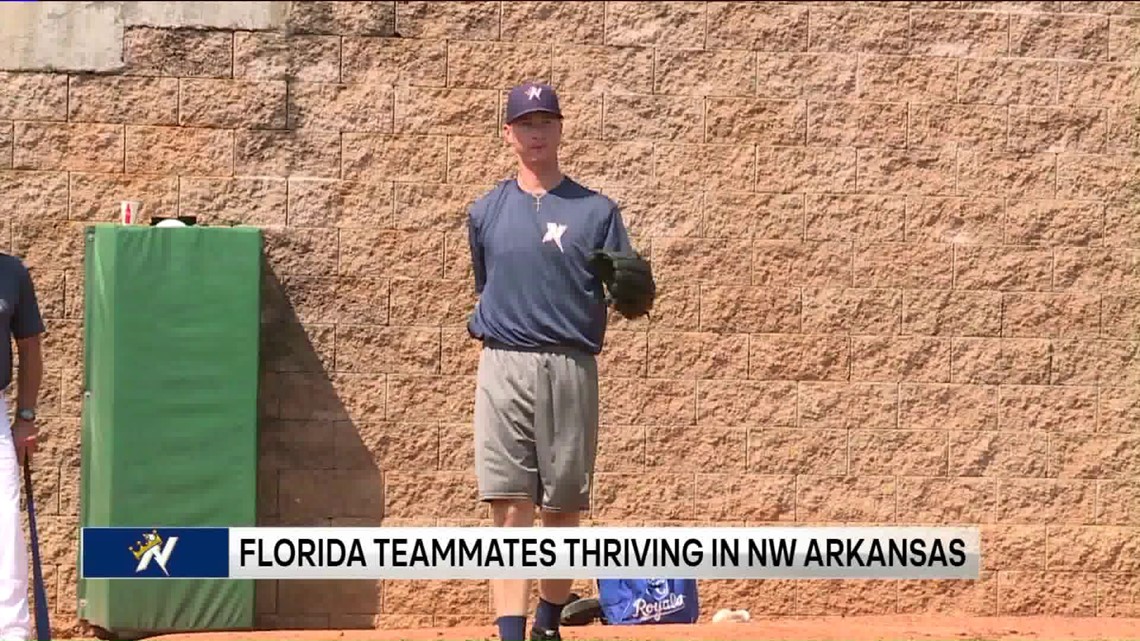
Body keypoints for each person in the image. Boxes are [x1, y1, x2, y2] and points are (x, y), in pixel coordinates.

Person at [466, 81, 634, 641]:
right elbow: (487, 285)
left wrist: (631, 293)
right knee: (509, 506)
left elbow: (623, 287)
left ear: (560, 129)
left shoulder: (597, 211)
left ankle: (546, 624)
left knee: (562, 507)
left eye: (545, 122)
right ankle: (510, 632)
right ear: (509, 133)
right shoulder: (486, 211)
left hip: (569, 365)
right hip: (503, 363)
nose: (535, 132)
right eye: (525, 123)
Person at [0, 253, 45, 641]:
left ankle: (11, 631)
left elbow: (30, 347)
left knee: (4, 519)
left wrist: (26, 417)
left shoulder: (11, 272)